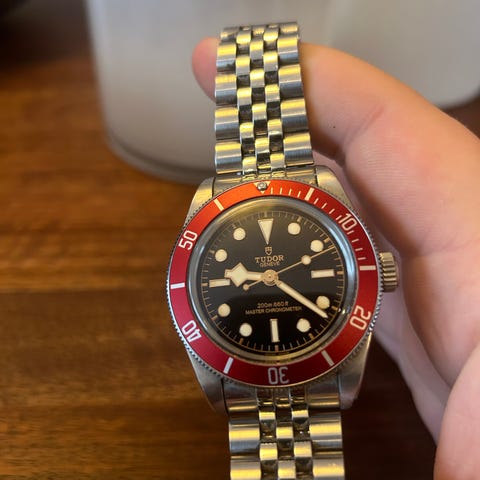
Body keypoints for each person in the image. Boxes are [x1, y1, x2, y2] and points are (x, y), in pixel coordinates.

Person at [192, 38, 480, 480]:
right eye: (265, 274)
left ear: (378, 272)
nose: (269, 276)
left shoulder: (323, 186)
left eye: (273, 273)